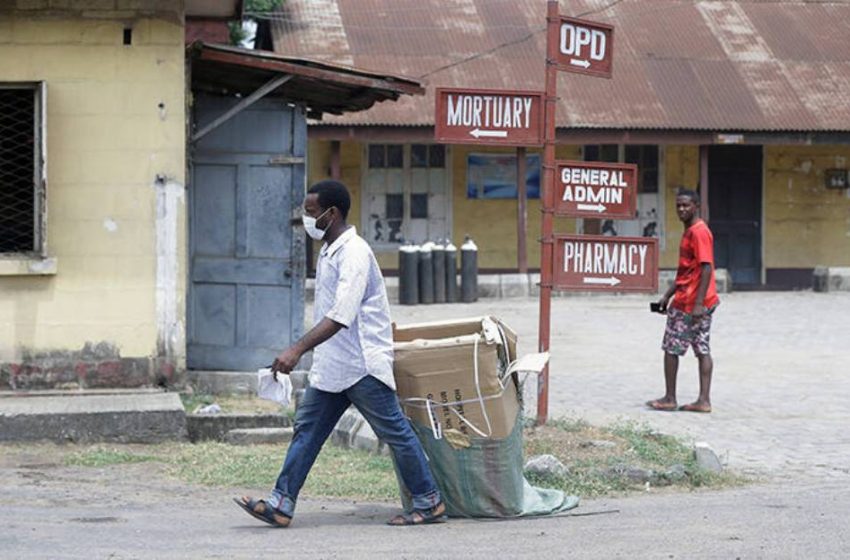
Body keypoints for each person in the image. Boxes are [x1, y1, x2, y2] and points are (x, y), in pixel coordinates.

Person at [234, 180, 445, 528]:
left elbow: (340, 316)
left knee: (395, 434)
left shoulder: (355, 253)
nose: (307, 219)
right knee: (307, 431)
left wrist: (296, 350)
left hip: (361, 363)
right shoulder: (331, 250)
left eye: (311, 212)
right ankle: (281, 503)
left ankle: (429, 501)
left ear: (331, 214)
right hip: (333, 365)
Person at [647, 189, 719, 413]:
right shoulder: (690, 231)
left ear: (696, 206)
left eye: (686, 205)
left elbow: (706, 267)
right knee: (701, 348)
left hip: (692, 303)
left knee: (672, 349)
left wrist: (698, 303)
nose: (681, 209)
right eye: (678, 205)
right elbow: (686, 272)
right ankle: (703, 401)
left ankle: (670, 398)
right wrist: (667, 296)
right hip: (691, 299)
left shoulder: (699, 232)